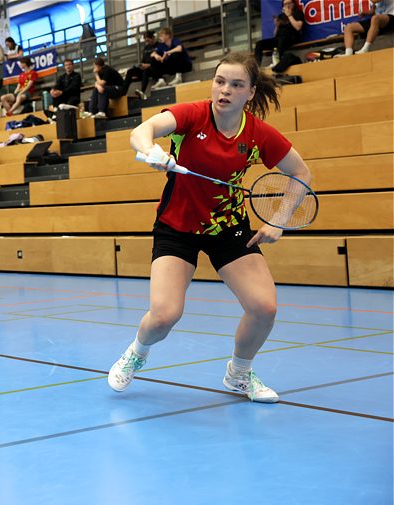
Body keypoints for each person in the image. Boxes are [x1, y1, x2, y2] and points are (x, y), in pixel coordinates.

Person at [106, 52, 312, 403]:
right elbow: (143, 131)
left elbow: (301, 173)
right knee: (164, 316)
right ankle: (137, 352)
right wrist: (151, 150)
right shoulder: (193, 115)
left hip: (228, 228)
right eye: (219, 81)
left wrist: (279, 219)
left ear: (250, 92)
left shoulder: (257, 134)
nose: (225, 90)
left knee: (264, 308)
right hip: (177, 226)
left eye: (236, 84)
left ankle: (239, 374)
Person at [254, 0, 304, 67]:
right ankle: (257, 66)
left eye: (289, 3)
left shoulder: (298, 13)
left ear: (293, 4)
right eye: (285, 4)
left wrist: (289, 15)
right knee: (259, 44)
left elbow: (298, 27)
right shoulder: (281, 16)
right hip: (280, 39)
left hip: (292, 37)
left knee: (284, 35)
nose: (287, 5)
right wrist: (277, 26)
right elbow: (275, 35)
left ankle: (276, 63)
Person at [125, 31, 158, 100]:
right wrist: (141, 65)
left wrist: (149, 65)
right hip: (145, 68)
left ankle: (142, 92)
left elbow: (159, 61)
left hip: (154, 68)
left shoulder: (158, 46)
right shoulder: (146, 48)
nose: (147, 42)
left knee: (146, 71)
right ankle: (123, 91)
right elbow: (143, 60)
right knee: (130, 71)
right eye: (146, 41)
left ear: (153, 38)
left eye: (148, 40)